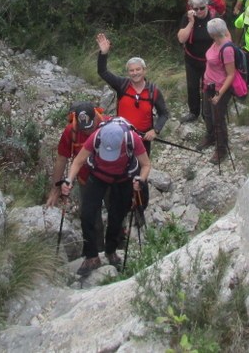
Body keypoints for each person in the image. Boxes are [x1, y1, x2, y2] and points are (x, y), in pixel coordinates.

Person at [61, 117, 151, 277]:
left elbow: (146, 164)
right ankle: (92, 256)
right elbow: (78, 161)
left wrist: (140, 180)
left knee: (117, 217)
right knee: (87, 214)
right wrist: (69, 179)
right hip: (98, 176)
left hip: (123, 179)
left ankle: (110, 251)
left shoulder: (132, 138)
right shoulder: (96, 136)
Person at [96, 33, 169, 210]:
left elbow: (164, 113)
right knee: (120, 170)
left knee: (140, 172)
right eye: (131, 70)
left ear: (144, 71)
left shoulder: (153, 91)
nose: (135, 73)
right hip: (121, 137)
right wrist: (103, 53)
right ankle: (122, 203)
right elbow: (103, 72)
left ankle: (140, 206)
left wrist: (156, 130)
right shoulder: (122, 85)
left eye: (138, 70)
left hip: (143, 140)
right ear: (128, 73)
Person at [45, 102, 106, 207]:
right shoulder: (71, 131)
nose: (87, 131)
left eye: (90, 128)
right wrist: (55, 189)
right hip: (85, 180)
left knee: (115, 212)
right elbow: (61, 159)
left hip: (109, 178)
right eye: (84, 128)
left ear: (95, 117)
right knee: (89, 218)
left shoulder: (109, 125)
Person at [201, 17, 238, 165]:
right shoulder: (218, 40)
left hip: (219, 88)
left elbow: (231, 74)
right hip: (208, 85)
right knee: (207, 114)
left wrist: (219, 94)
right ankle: (210, 138)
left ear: (213, 34)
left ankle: (221, 149)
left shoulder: (227, 48)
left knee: (218, 120)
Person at [177, 0, 213, 123]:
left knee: (208, 87)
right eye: (195, 8)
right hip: (192, 59)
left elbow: (223, 37)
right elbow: (181, 39)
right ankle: (194, 112)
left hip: (210, 62)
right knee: (192, 86)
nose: (199, 11)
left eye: (202, 8)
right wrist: (191, 23)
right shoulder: (187, 18)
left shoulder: (213, 17)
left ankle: (207, 112)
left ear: (207, 5)